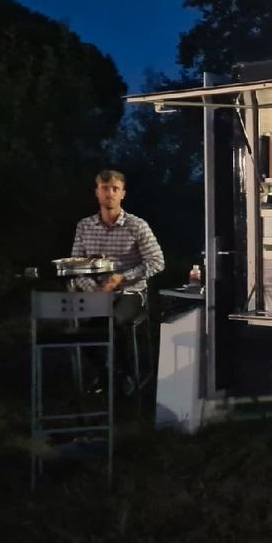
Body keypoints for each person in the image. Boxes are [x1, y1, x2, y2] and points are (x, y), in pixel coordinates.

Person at [71, 169, 164, 394]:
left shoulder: (136, 226)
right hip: (97, 291)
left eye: (115, 189)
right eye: (105, 189)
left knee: (116, 320)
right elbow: (76, 266)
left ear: (123, 194)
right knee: (75, 324)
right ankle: (105, 372)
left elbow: (157, 262)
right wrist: (93, 289)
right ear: (97, 193)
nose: (110, 194)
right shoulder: (85, 226)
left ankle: (126, 374)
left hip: (129, 291)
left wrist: (123, 277)